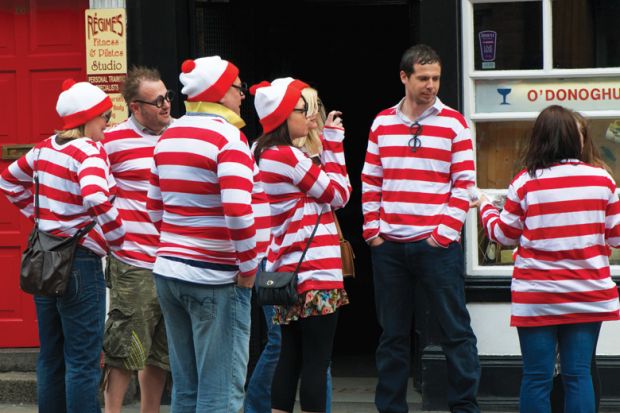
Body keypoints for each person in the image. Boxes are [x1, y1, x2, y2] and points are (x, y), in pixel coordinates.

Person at [477, 105, 620, 413]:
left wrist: (486, 208)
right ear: (576, 140)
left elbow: (502, 235)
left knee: (537, 376)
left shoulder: (525, 183)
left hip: (538, 295)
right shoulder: (602, 181)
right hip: (588, 293)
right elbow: (617, 237)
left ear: (539, 139)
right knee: (578, 373)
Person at [361, 44, 480, 413]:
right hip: (390, 247)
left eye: (436, 78)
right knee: (392, 336)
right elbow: (370, 180)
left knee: (455, 331)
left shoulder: (455, 123)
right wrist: (373, 233)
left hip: (437, 246)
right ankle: (391, 408)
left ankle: (464, 408)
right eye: (423, 78)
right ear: (404, 77)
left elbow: (464, 184)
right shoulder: (382, 122)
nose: (431, 85)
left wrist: (440, 235)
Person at [0, 79, 125, 413]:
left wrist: (41, 218)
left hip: (46, 257)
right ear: (85, 119)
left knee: (51, 356)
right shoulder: (88, 150)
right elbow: (97, 196)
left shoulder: (43, 148)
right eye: (104, 116)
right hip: (81, 261)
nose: (107, 123)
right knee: (83, 360)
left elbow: (8, 180)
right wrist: (117, 240)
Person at [146, 56, 261, 413]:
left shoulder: (168, 137)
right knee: (221, 393)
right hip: (215, 276)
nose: (242, 96)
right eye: (238, 88)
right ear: (218, 92)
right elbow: (239, 210)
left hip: (169, 272)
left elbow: (154, 209)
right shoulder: (229, 138)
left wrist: (180, 241)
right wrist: (248, 265)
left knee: (187, 387)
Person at [251, 77, 351, 413]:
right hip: (314, 272)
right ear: (282, 115)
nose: (307, 115)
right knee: (315, 362)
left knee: (289, 360)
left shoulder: (262, 151)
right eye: (300, 109)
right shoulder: (288, 157)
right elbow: (339, 194)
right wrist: (333, 144)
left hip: (287, 271)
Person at [101, 66, 173, 413]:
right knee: (125, 347)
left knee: (161, 352)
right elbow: (93, 189)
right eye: (157, 100)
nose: (166, 105)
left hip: (174, 260)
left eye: (168, 96)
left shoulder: (179, 135)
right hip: (133, 261)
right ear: (135, 106)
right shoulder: (112, 141)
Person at [546, 110, 608, 413]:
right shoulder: (600, 178)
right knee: (565, 370)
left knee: (580, 367)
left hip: (575, 286)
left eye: (581, 133)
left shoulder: (598, 176)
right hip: (566, 286)